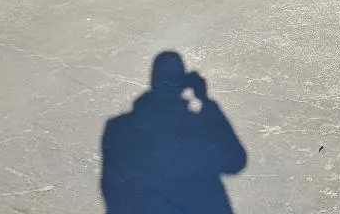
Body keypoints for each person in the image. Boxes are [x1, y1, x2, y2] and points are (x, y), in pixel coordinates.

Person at [101, 51, 246, 213]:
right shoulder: (195, 127)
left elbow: (113, 188)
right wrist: (206, 101)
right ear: (182, 83)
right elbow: (235, 161)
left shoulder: (118, 128)